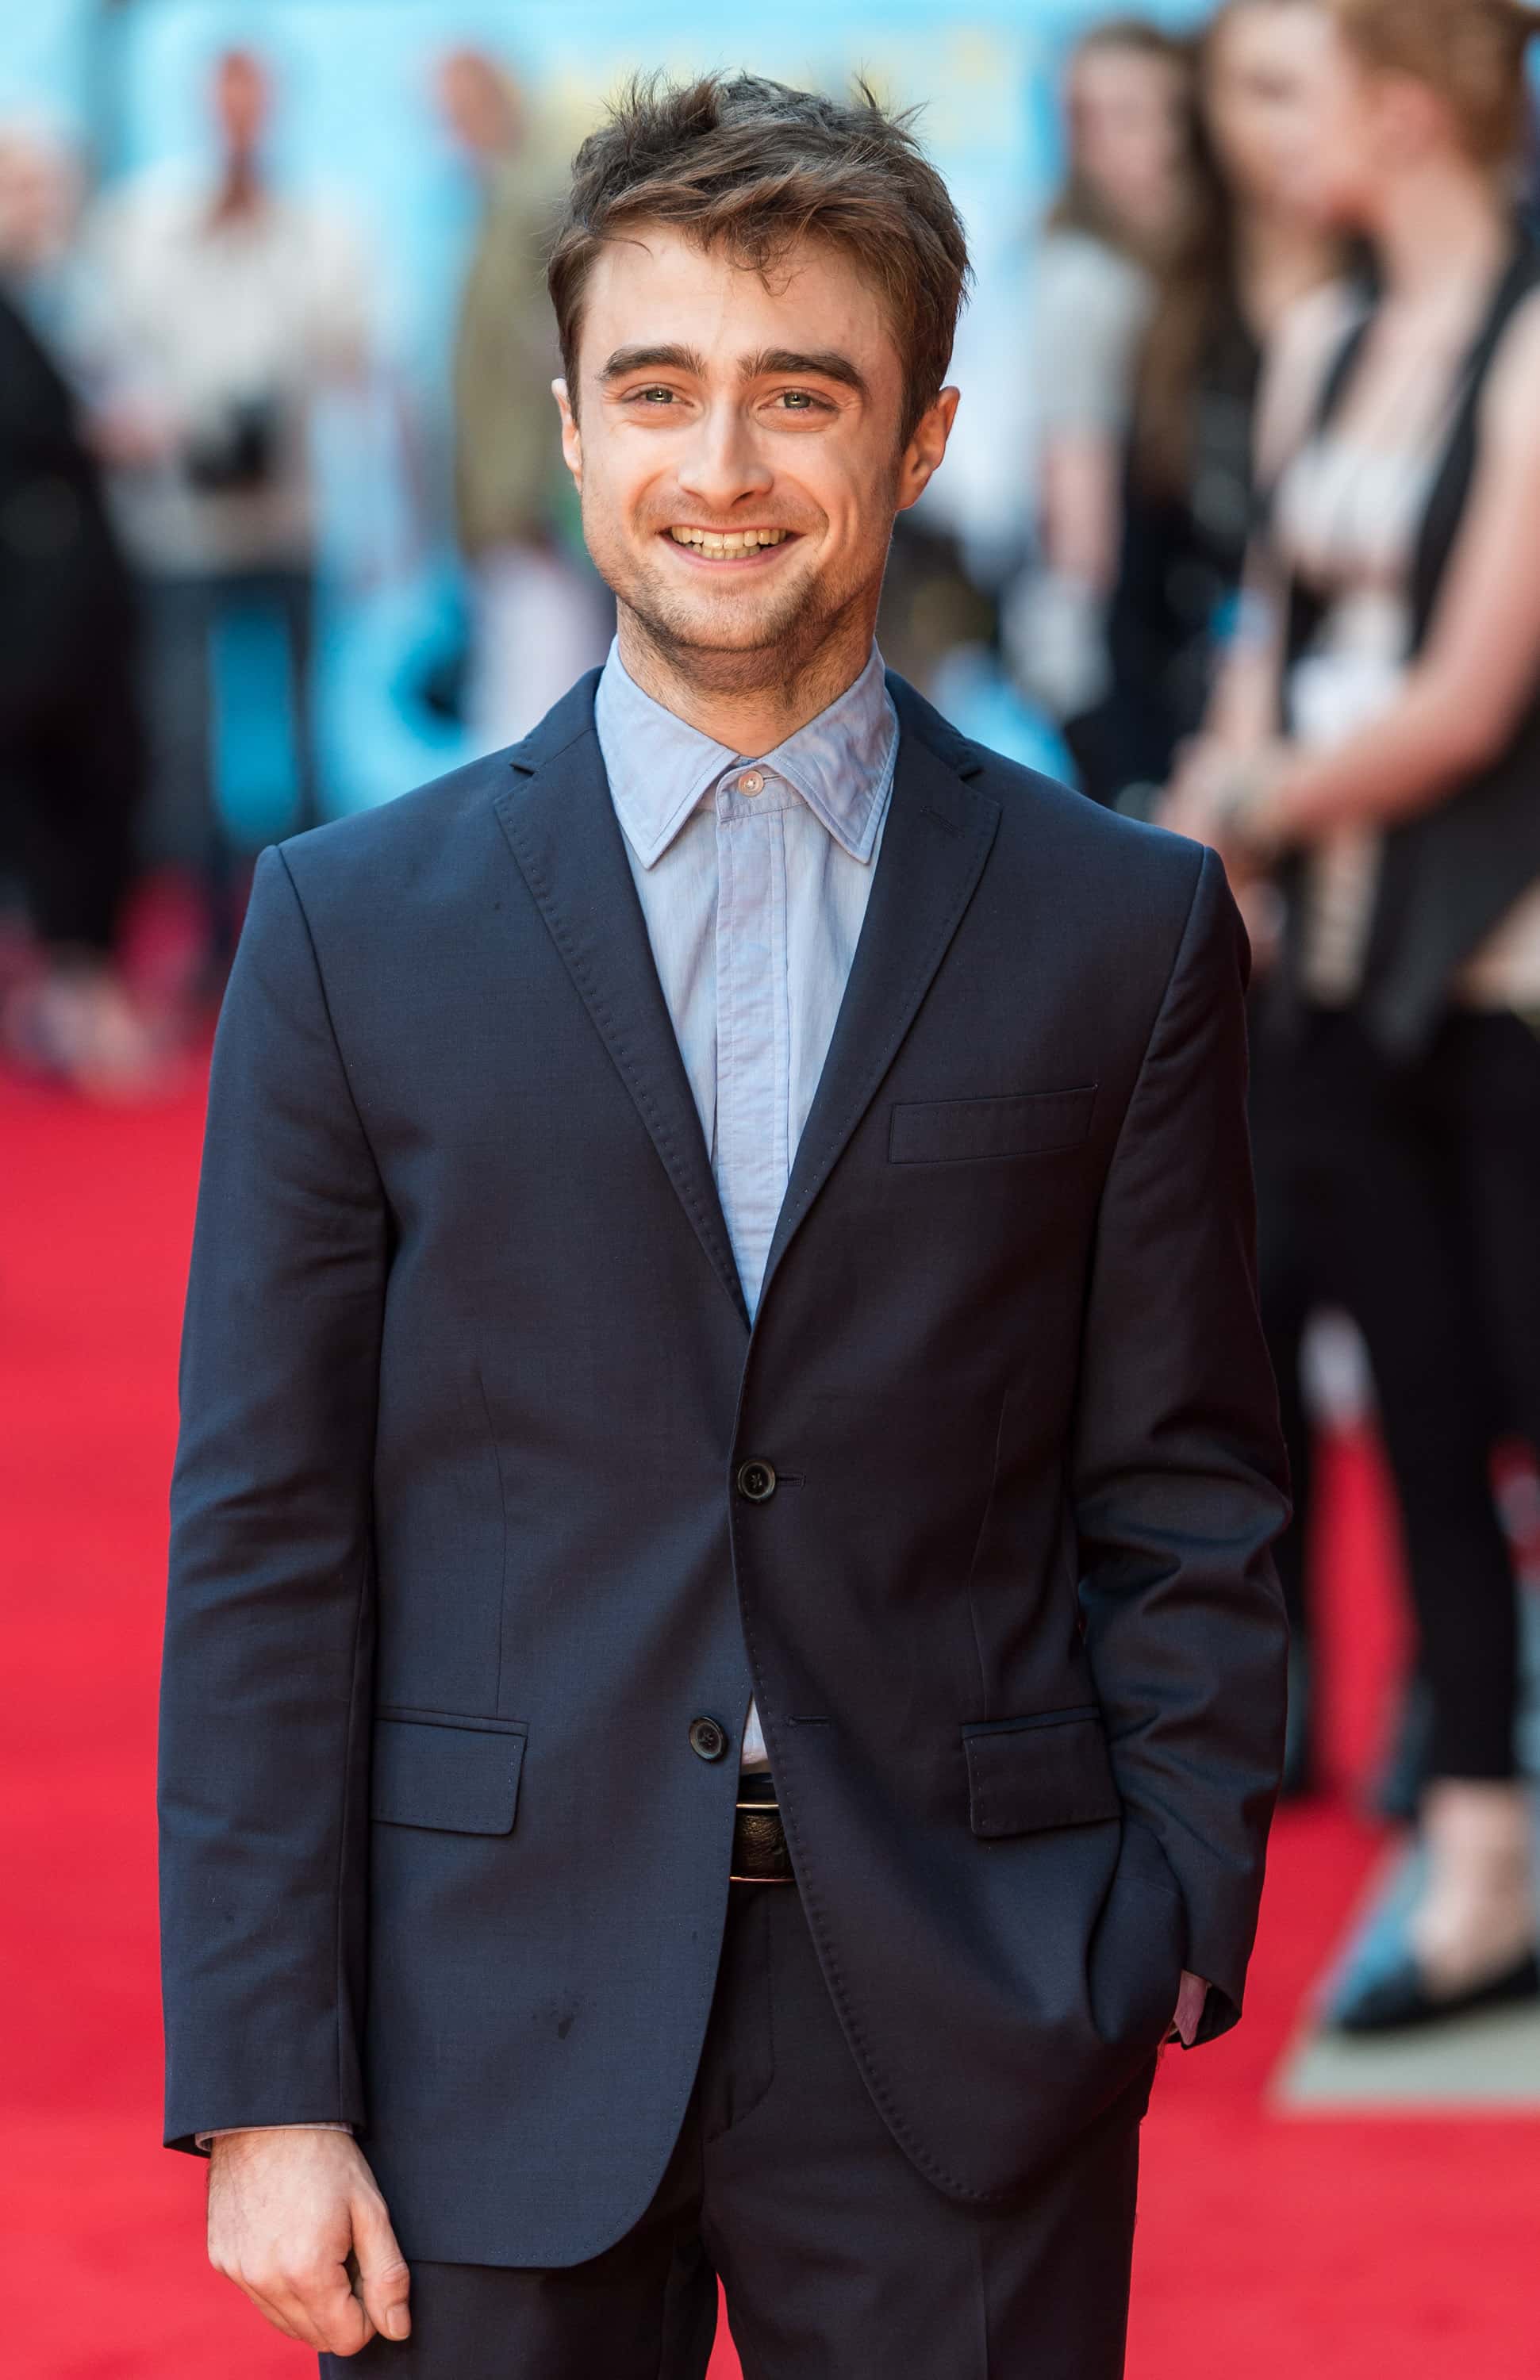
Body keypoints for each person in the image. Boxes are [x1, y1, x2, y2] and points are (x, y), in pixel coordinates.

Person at [159, 73, 1289, 2377]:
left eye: (803, 393)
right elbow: (267, 1525)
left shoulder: (1125, 928)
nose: (723, 465)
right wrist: (267, 2074)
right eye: (659, 389)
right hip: (478, 2006)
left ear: (924, 435)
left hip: (968, 1995)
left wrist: (1162, 1905)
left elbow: (1181, 1470)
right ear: (571, 428)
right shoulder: (349, 931)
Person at [1168, 0, 1540, 2029]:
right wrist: (1218, 834)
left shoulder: (1532, 342)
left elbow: (1472, 699)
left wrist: (1233, 806)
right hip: (1326, 959)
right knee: (1412, 1412)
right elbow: (1269, 636)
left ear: (1402, 113)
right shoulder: (1319, 337)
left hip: (1501, 961)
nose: (1255, 132)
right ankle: (1474, 1859)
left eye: (1288, 90)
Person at [1110, 0, 1343, 1796]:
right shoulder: (1177, 322)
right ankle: (1277, 1673)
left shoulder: (1419, 312)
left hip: (1369, 856)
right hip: (1205, 855)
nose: (1262, 129)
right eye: (1237, 97)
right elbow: (1138, 599)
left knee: (1418, 1293)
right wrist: (1163, 834)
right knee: (1241, 1302)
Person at [77, 48, 371, 957]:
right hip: (179, 528)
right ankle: (206, 939)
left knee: (309, 734)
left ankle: (318, 932)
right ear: (205, 105)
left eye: (255, 100)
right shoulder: (144, 224)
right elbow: (101, 362)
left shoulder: (322, 226)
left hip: (292, 518)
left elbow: (356, 363)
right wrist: (163, 426)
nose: (241, 118)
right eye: (227, 100)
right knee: (184, 741)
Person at [0, 126, 152, 1095]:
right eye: (26, 187)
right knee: (64, 793)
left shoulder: (52, 306)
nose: (45, 206)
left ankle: (78, 988)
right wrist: (97, 438)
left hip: (76, 611)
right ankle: (75, 994)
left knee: (94, 782)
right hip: (37, 621)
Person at [1006, 18, 1192, 779]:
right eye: (1088, 119)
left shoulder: (1175, 274)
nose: (1105, 143)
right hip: (1106, 652)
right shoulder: (1084, 279)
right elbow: (1080, 520)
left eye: (1135, 113)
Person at [440, 49, 612, 748]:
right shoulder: (496, 205)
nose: (451, 130)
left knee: (538, 727)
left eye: (461, 109)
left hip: (537, 517)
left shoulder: (536, 202)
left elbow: (561, 363)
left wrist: (540, 499)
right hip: (511, 514)